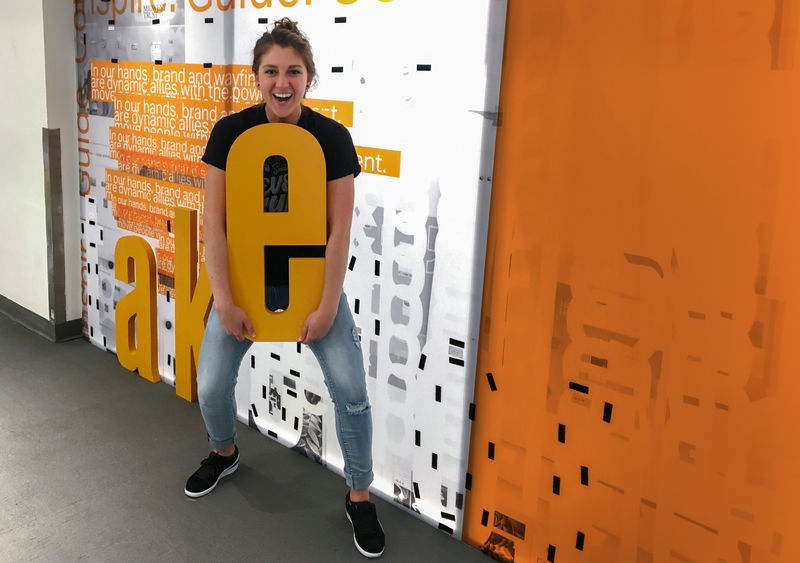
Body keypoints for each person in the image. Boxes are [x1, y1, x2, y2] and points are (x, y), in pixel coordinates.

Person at [183, 18, 385, 559]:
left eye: (293, 71)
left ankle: (360, 494)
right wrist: (224, 301)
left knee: (351, 393)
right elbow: (215, 226)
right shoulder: (230, 134)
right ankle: (224, 453)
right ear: (256, 77)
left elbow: (339, 231)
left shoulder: (330, 138)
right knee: (211, 385)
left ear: (308, 78)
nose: (282, 81)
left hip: (310, 283)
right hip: (247, 283)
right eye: (271, 70)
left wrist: (323, 308)